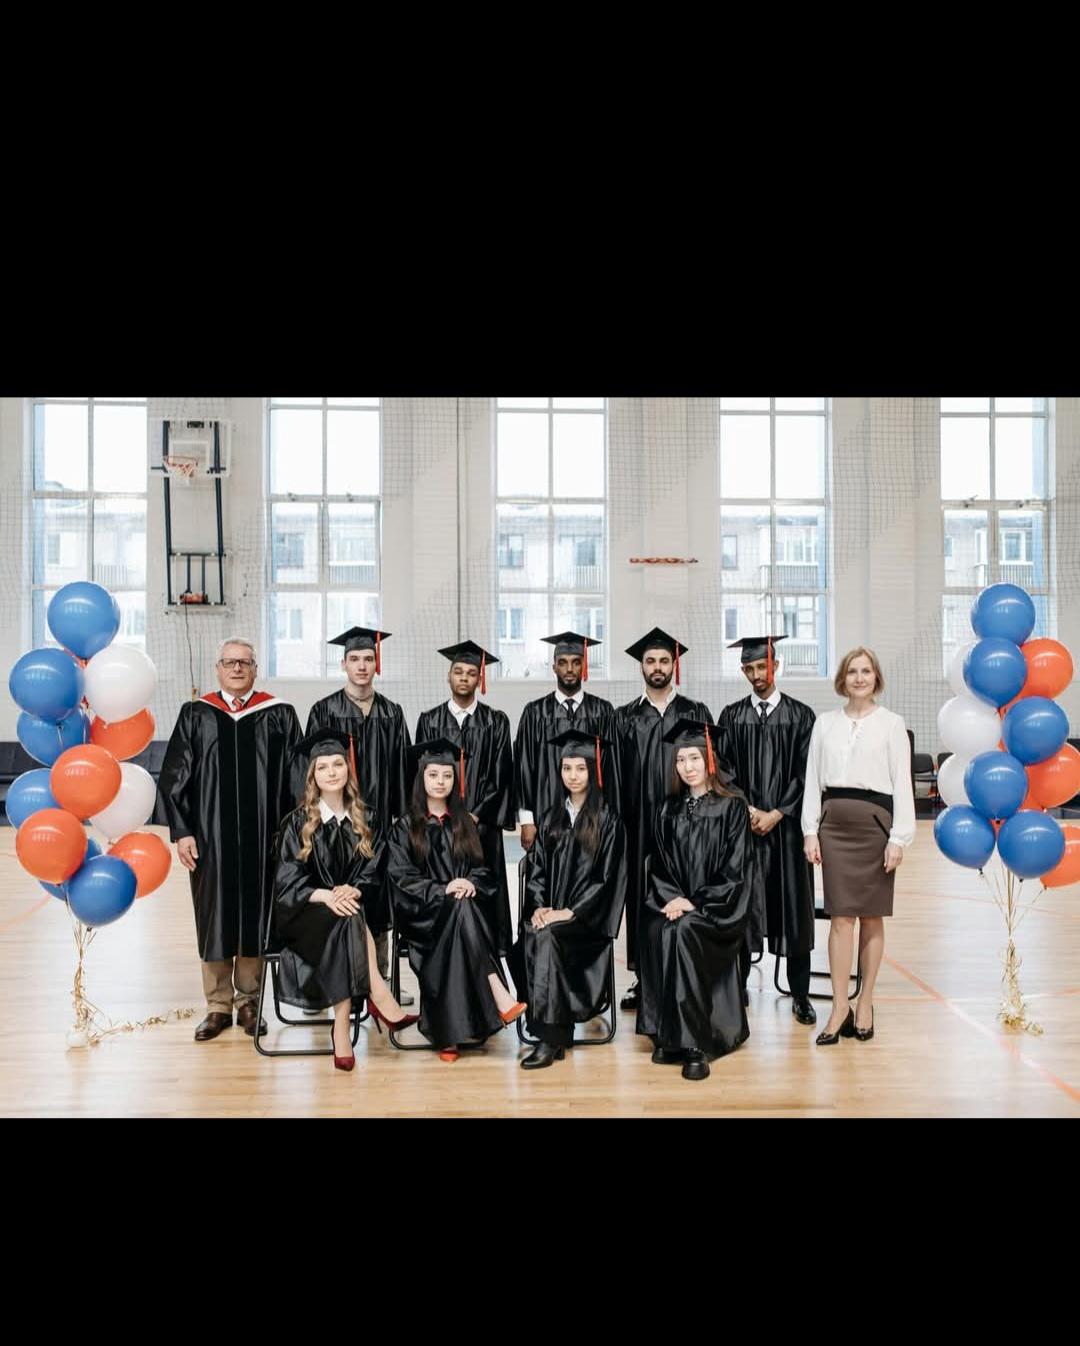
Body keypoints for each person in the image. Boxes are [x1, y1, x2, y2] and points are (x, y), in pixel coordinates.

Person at [159, 638, 301, 1041]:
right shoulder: (196, 714)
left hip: (265, 837)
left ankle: (249, 1002)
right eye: (229, 662)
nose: (237, 668)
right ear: (217, 668)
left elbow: (297, 777)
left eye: (244, 662)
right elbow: (175, 776)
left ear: (255, 669)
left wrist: (293, 835)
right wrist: (182, 831)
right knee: (214, 915)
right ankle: (217, 1005)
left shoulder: (279, 714)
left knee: (256, 914)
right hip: (211, 838)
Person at [273, 731, 418, 1071]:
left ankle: (341, 1026)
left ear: (348, 770)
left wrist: (353, 889)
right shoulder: (297, 823)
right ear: (313, 776)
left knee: (348, 915)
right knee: (348, 916)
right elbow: (287, 881)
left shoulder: (369, 819)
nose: (332, 772)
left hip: (350, 913)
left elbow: (376, 869)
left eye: (338, 764)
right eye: (323, 767)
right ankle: (379, 994)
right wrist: (326, 894)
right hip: (305, 914)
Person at [801, 646, 915, 1045]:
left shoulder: (892, 724)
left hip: (875, 828)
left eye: (866, 671)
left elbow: (902, 782)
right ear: (842, 679)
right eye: (853, 671)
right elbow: (812, 779)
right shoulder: (824, 723)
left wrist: (899, 837)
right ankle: (839, 1007)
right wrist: (810, 830)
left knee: (871, 916)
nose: (860, 677)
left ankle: (865, 1002)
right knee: (841, 918)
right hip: (834, 828)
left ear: (876, 678)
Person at [387, 738, 526, 1061]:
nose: (440, 782)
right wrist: (444, 890)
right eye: (433, 775)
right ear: (421, 778)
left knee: (462, 909)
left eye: (447, 776)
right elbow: (401, 879)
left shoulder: (464, 824)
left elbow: (484, 873)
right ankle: (498, 993)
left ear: (455, 780)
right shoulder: (405, 827)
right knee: (460, 910)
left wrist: (469, 884)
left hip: (462, 916)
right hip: (422, 917)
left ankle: (447, 1036)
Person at [637, 719, 753, 1081]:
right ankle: (668, 1035)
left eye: (694, 758)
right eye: (680, 760)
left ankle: (695, 1045)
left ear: (709, 760)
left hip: (718, 911)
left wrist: (695, 902)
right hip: (675, 905)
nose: (687, 767)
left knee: (684, 931)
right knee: (660, 928)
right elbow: (658, 866)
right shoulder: (666, 810)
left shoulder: (732, 807)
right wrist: (672, 899)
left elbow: (736, 871)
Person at [305, 626, 412, 996]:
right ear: (344, 664)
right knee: (336, 897)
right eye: (355, 659)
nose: (362, 666)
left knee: (377, 901)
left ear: (376, 664)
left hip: (379, 825)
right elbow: (311, 770)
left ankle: (379, 982)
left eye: (368, 659)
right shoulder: (324, 711)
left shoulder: (392, 713)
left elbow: (403, 771)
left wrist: (401, 823)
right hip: (335, 824)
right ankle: (334, 983)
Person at [511, 729, 627, 1069]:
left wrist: (569, 912)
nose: (573, 776)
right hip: (553, 918)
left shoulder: (608, 820)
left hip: (587, 924)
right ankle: (555, 1030)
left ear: (593, 771)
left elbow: (607, 880)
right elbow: (537, 871)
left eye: (580, 768)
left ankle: (549, 1039)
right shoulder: (551, 817)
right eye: (566, 768)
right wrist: (538, 908)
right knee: (528, 939)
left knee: (546, 937)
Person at [718, 634, 818, 1025]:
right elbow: (723, 770)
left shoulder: (801, 716)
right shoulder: (731, 717)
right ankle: (737, 985)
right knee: (741, 907)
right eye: (750, 668)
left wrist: (777, 813)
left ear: (775, 666)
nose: (757, 674)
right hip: (745, 831)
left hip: (787, 832)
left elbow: (806, 772)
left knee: (794, 910)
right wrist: (746, 809)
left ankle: (801, 994)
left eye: (762, 666)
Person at [616, 627, 713, 1014]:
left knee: (686, 893)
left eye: (663, 661)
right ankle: (645, 979)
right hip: (639, 824)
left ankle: (689, 974)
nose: (657, 667)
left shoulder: (695, 712)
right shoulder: (623, 717)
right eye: (650, 661)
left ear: (674, 665)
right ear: (641, 666)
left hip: (686, 824)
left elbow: (712, 768)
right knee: (642, 898)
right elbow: (615, 777)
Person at [414, 640, 514, 962]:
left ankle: (488, 965)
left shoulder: (495, 722)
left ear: (479, 679)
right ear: (449, 676)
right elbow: (421, 775)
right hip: (438, 828)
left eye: (471, 673)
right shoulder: (429, 720)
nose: (464, 678)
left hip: (481, 829)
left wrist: (475, 816)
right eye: (458, 671)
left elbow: (502, 775)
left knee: (484, 894)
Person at [513, 631, 621, 854]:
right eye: (562, 663)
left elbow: (611, 768)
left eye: (576, 662)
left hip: (593, 817)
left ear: (584, 666)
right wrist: (526, 820)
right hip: (544, 813)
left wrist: (608, 817)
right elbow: (524, 766)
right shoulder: (534, 713)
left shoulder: (603, 712)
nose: (569, 669)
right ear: (554, 667)